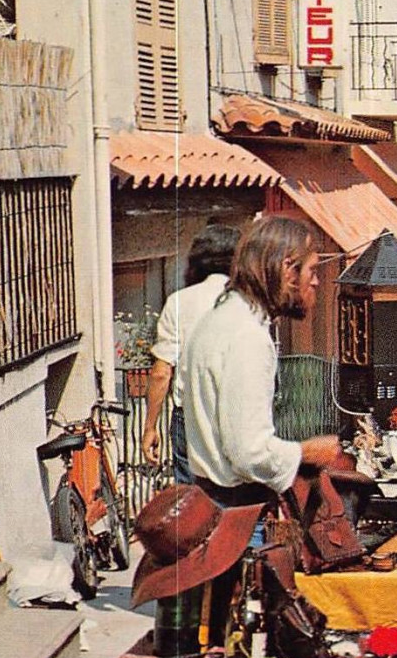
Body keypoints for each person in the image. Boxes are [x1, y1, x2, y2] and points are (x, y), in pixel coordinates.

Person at [179, 215, 342, 502]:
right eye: (312, 271)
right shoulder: (247, 336)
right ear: (288, 271)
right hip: (237, 509)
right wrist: (308, 451)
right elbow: (248, 453)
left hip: (213, 499)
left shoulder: (221, 319)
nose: (316, 282)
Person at [141, 223, 240, 484]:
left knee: (193, 506)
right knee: (242, 504)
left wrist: (150, 427)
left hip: (191, 416)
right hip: (237, 413)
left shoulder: (179, 302)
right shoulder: (249, 301)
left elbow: (162, 373)